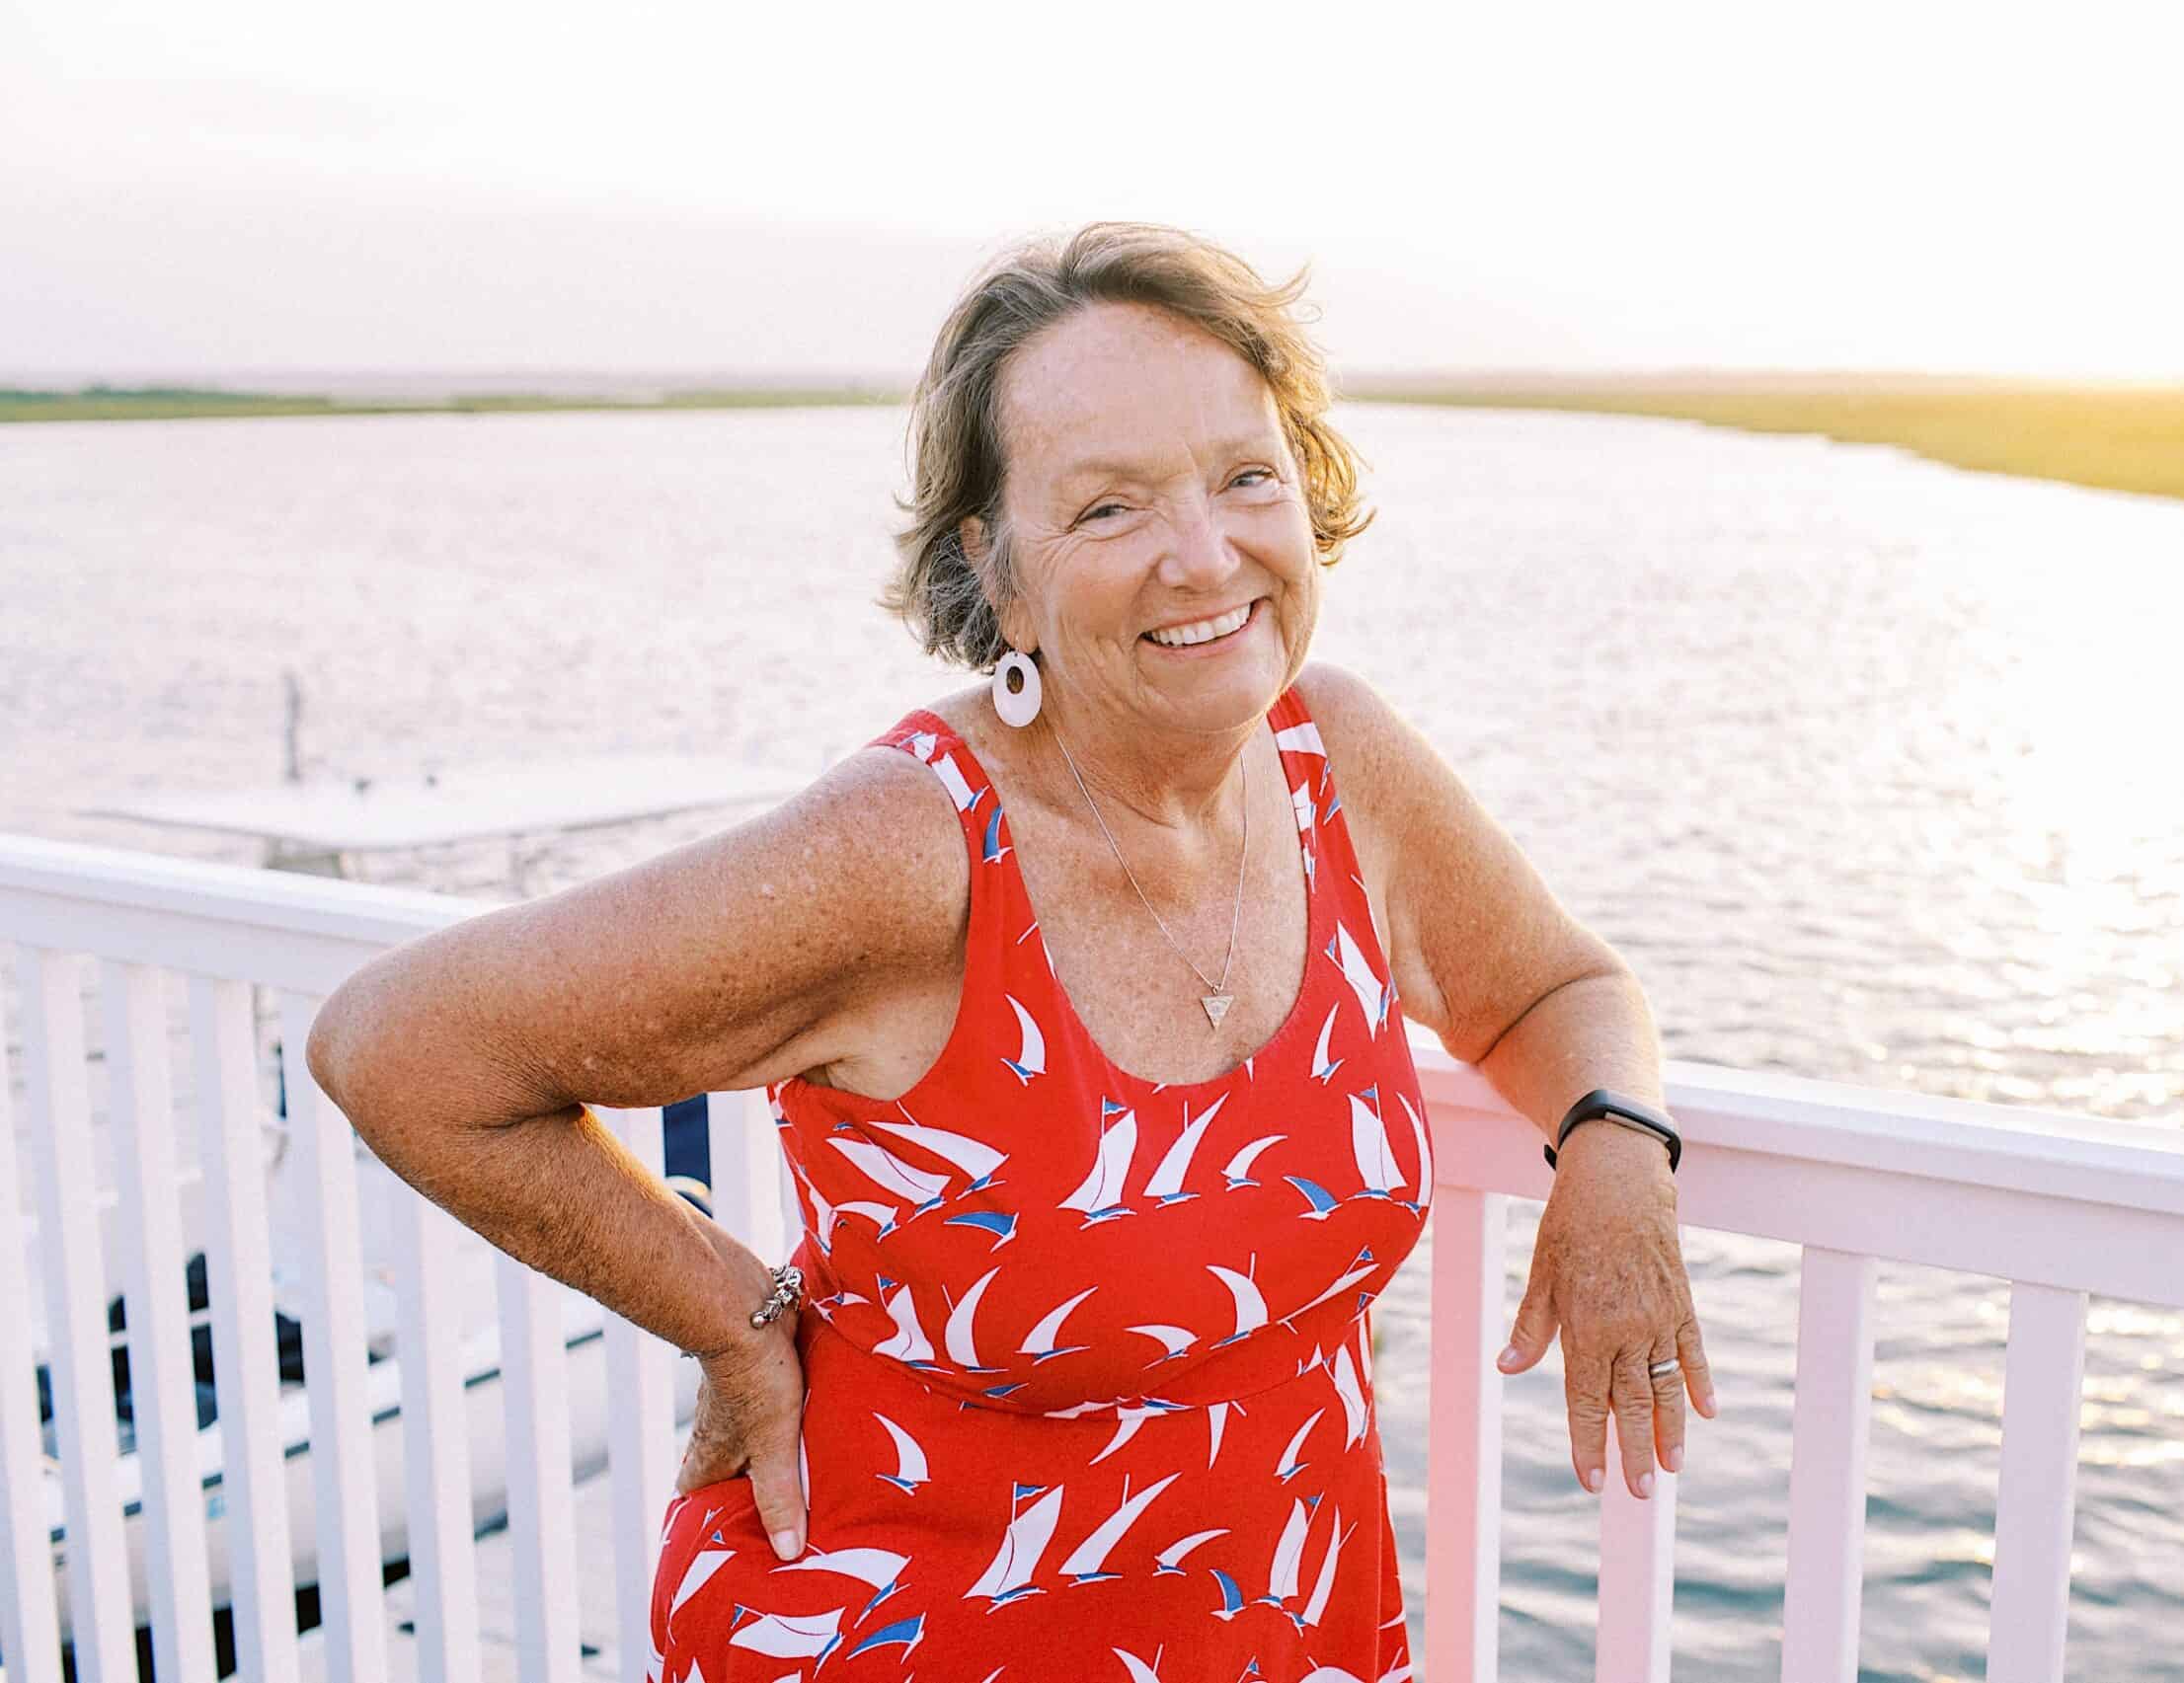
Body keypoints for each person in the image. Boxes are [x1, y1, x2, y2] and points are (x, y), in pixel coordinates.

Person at [307, 220, 1715, 1681]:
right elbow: (398, 1045)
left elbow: (1563, 986)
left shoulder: (1335, 760)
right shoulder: (911, 848)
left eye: (1247, 476)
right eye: (1111, 509)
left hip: (1280, 1630)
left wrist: (1613, 1145)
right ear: (998, 567)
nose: (1204, 552)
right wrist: (732, 1313)